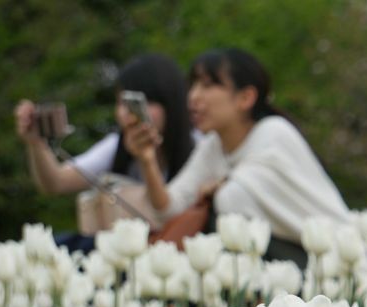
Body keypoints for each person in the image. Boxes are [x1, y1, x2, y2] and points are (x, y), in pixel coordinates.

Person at [123, 47, 350, 265]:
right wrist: (147, 160)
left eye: (208, 85)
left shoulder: (274, 132)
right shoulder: (213, 145)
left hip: (331, 261)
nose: (193, 97)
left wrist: (219, 188)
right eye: (192, 85)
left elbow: (239, 195)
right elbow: (169, 209)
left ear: (246, 98)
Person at [14, 53, 195, 251]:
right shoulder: (116, 146)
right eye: (121, 102)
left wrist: (147, 159)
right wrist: (36, 143)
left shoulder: (199, 150)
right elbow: (56, 182)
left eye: (140, 103)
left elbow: (163, 211)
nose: (127, 113)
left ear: (170, 104)